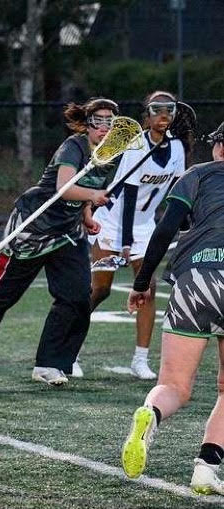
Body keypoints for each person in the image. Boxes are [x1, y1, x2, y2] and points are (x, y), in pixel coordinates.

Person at [0, 98, 118, 386]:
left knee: (76, 297)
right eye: (97, 121)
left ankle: (50, 363)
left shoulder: (111, 154)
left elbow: (91, 188)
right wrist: (90, 198)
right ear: (86, 124)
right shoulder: (73, 147)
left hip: (67, 233)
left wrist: (87, 215)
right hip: (33, 227)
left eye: (109, 122)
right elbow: (65, 187)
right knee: (2, 295)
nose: (103, 127)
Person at [121, 121, 224, 493]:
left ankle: (152, 415)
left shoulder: (195, 175)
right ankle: (206, 468)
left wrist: (141, 281)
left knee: (174, 385)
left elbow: (165, 230)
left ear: (219, 148)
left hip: (194, 278)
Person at [85, 91, 186, 380]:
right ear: (147, 114)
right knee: (100, 289)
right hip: (114, 221)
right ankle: (71, 349)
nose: (163, 114)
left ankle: (140, 359)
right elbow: (128, 195)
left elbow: (177, 194)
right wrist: (125, 244)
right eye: (157, 109)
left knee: (148, 288)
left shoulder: (177, 149)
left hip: (145, 226)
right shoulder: (136, 144)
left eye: (170, 109)